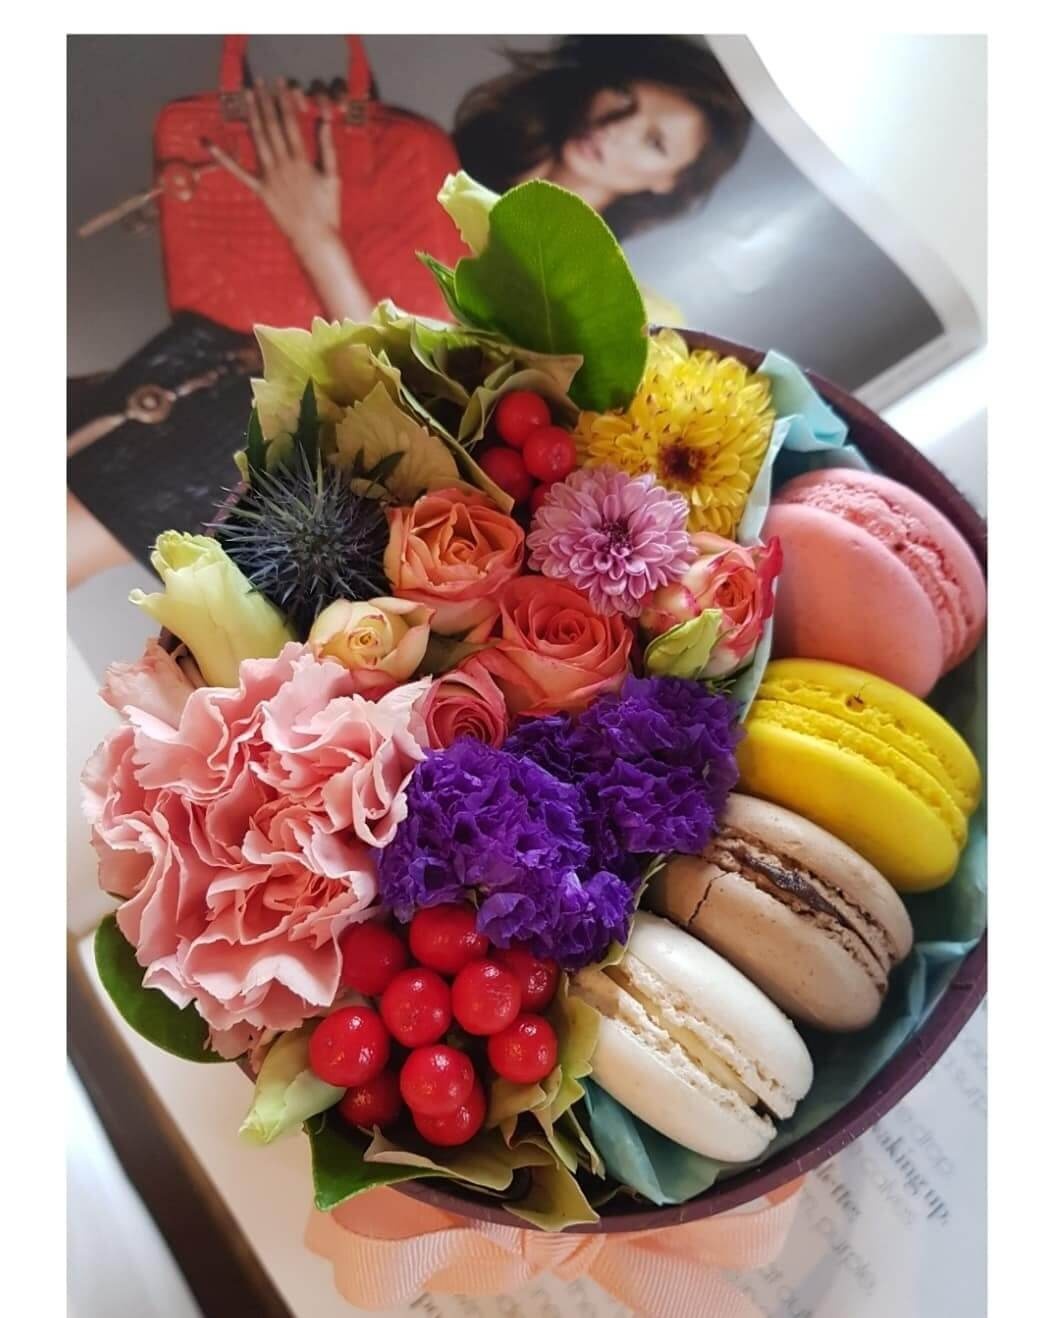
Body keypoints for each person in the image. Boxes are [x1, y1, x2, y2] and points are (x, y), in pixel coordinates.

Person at [207, 38, 752, 321]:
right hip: (220, 345)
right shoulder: (452, 162)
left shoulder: (584, 296)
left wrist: (313, 235)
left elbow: (406, 394)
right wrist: (337, 142)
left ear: (670, 183)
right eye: (624, 96)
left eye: (654, 141)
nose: (615, 127)